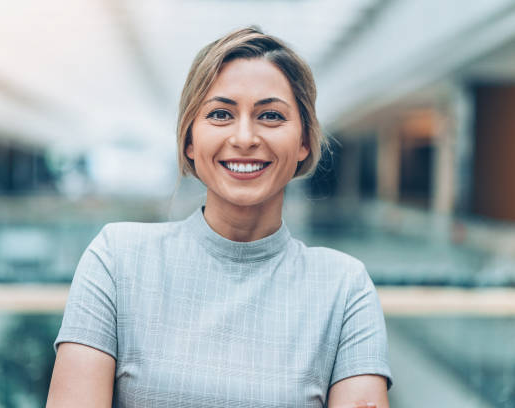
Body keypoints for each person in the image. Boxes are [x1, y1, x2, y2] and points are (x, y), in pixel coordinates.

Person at [47, 27, 392, 408]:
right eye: (221, 114)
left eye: (271, 115)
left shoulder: (344, 288)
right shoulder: (116, 259)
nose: (245, 137)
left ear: (304, 141)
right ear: (190, 140)